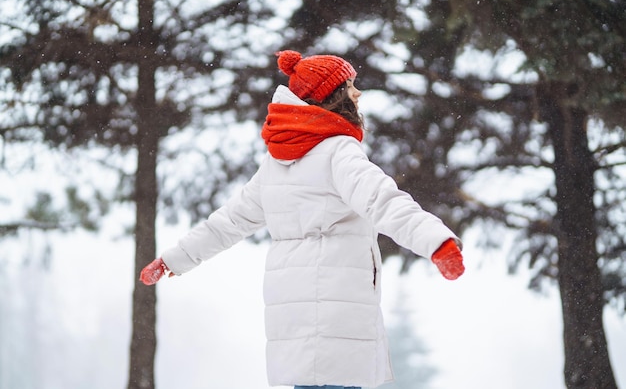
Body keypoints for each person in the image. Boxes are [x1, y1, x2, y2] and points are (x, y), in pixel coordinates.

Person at [140, 50, 465, 389]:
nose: (357, 94)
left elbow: (228, 222)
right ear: (331, 97)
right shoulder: (338, 151)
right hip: (336, 309)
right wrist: (436, 243)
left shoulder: (276, 164)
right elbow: (381, 199)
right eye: (350, 86)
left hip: (293, 313)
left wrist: (173, 260)